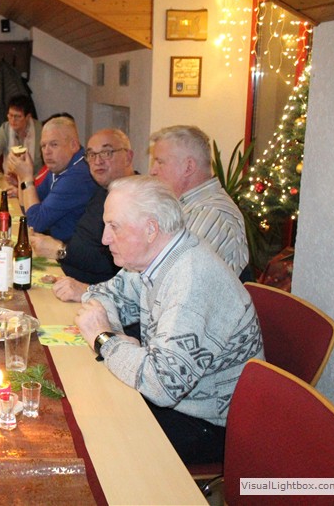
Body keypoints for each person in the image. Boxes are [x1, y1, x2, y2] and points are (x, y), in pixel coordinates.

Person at [74, 175, 263, 465]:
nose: (105, 239)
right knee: (84, 403)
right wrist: (116, 339)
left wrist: (105, 340)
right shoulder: (154, 259)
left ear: (151, 229)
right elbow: (101, 294)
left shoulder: (191, 279)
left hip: (208, 423)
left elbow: (163, 386)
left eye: (114, 226)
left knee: (95, 437)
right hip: (179, 401)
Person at [30, 129, 135, 296]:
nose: (97, 161)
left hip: (93, 294)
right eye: (91, 155)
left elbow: (113, 266)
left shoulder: (135, 200)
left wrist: (61, 250)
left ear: (128, 157)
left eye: (107, 153)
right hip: (67, 276)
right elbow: (85, 243)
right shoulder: (103, 190)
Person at [149, 125, 248, 276]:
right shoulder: (183, 206)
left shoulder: (212, 213)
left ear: (188, 167)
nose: (153, 170)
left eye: (160, 162)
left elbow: (177, 276)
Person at [7, 116, 97, 242]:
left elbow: (35, 223)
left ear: (73, 145)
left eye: (54, 144)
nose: (46, 152)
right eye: (43, 146)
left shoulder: (77, 176)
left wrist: (26, 176)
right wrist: (21, 175)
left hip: (70, 250)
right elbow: (28, 209)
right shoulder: (61, 165)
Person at [0, 95, 43, 175]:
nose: (13, 120)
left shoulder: (40, 130)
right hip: (10, 178)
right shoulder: (4, 129)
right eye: (10, 115)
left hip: (36, 178)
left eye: (17, 116)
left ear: (28, 117)